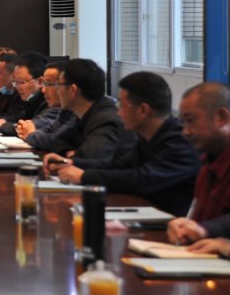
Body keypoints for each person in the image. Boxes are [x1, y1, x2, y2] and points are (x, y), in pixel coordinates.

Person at [46, 72, 199, 216]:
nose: (118, 113)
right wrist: (70, 162)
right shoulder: (149, 137)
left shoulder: (179, 142)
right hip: (144, 215)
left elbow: (142, 179)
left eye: (122, 106)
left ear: (142, 110)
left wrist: (84, 176)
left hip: (168, 227)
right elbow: (118, 165)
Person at [167, 83, 230, 245]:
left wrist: (206, 229)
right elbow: (196, 222)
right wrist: (184, 227)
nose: (185, 131)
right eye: (183, 123)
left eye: (190, 121)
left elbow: (206, 227)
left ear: (221, 117)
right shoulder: (207, 161)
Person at [41, 59, 135, 162]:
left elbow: (89, 159)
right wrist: (67, 151)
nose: (57, 90)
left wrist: (73, 156)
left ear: (72, 90)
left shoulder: (105, 121)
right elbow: (55, 140)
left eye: (59, 85)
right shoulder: (83, 114)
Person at [16, 62, 76, 150]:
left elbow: (55, 140)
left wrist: (31, 134)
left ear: (72, 89)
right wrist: (29, 131)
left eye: (48, 84)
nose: (43, 90)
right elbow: (50, 131)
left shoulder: (80, 114)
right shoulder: (66, 111)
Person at [0, 51, 48, 134]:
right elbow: (16, 118)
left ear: (40, 82)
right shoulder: (30, 101)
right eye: (15, 82)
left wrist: (4, 125)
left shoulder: (51, 103)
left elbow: (33, 127)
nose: (17, 87)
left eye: (22, 82)